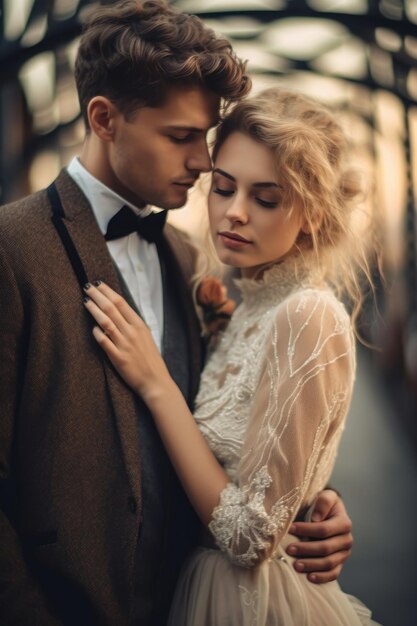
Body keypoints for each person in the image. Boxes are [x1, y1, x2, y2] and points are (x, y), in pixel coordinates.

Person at [0, 1, 352, 623]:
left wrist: (313, 502)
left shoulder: (194, 260)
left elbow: (243, 437)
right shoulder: (11, 250)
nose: (202, 161)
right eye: (180, 136)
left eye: (205, 139)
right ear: (105, 118)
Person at [82, 86, 380, 626]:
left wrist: (157, 384)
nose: (234, 213)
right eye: (223, 188)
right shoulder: (240, 302)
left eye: (266, 199)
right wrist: (313, 495)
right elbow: (260, 459)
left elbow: (249, 536)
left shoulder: (307, 314)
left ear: (312, 214)